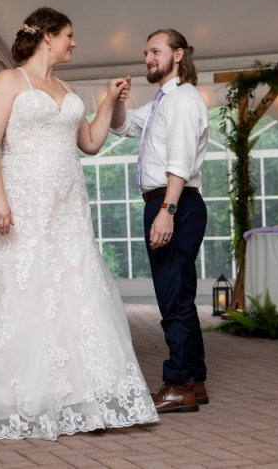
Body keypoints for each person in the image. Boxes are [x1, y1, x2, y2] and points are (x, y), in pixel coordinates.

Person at [0, 7, 158, 440]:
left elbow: (90, 143)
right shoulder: (9, 80)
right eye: (70, 35)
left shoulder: (66, 86)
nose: (75, 43)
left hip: (67, 205)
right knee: (23, 291)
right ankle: (17, 398)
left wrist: (110, 101)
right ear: (48, 36)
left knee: (75, 292)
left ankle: (79, 395)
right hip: (23, 201)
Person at [109, 29, 209, 413]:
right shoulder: (161, 101)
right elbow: (122, 126)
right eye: (146, 52)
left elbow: (180, 162)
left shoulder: (182, 100)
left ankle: (178, 383)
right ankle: (194, 382)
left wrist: (167, 211)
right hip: (170, 202)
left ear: (178, 54)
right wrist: (119, 101)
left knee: (172, 299)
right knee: (180, 295)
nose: (148, 58)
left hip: (174, 203)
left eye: (156, 51)